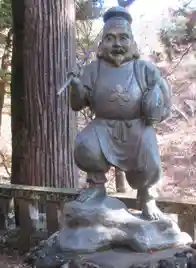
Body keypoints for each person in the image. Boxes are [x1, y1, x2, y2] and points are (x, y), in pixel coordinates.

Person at [68, 6, 171, 220]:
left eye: (123, 38)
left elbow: (162, 101)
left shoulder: (145, 69)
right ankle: (96, 186)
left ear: (132, 42)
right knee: (85, 145)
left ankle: (147, 196)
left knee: (150, 156)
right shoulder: (93, 69)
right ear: (102, 43)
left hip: (137, 126)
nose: (117, 45)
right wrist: (77, 86)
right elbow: (78, 104)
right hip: (103, 126)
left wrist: (156, 102)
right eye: (110, 38)